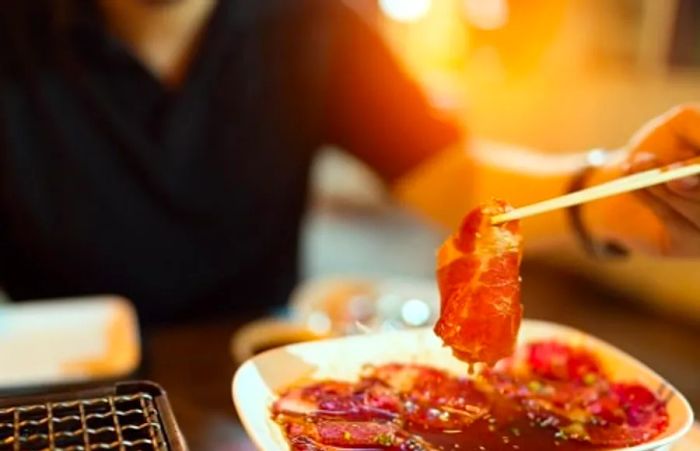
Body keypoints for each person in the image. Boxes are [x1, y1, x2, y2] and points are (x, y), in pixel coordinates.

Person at [0, 0, 697, 325]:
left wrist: (605, 191)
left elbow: (453, 174)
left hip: (256, 371)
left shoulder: (313, 23)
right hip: (61, 394)